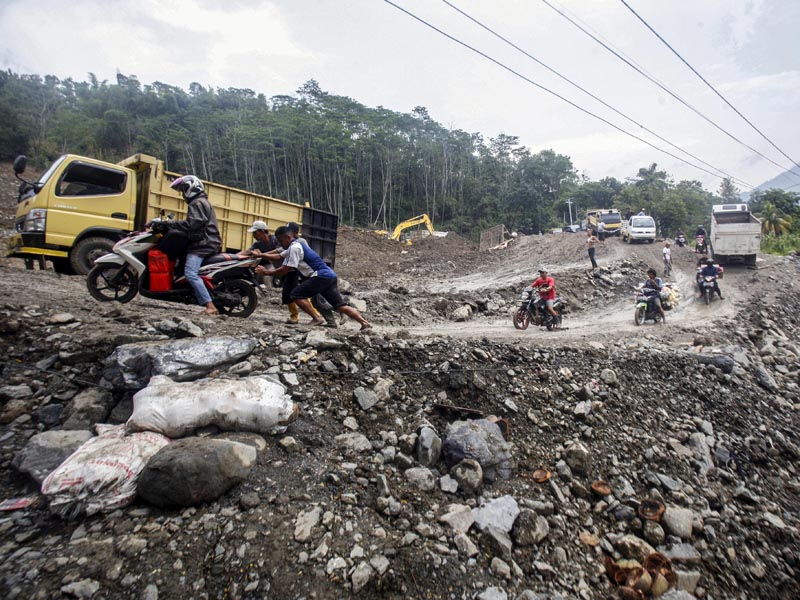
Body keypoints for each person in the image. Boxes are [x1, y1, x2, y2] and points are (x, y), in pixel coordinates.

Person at [258, 226, 372, 330]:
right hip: (329, 275)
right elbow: (279, 256)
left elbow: (285, 270)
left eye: (281, 241)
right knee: (339, 305)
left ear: (288, 237)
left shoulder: (294, 248)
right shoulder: (296, 245)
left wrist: (266, 272)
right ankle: (364, 323)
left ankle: (317, 318)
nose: (280, 244)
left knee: (295, 295)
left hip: (320, 275)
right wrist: (261, 255)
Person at [162, 175, 221, 315]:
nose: (183, 194)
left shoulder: (197, 203)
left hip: (204, 243)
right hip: (205, 241)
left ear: (192, 188)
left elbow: (193, 224)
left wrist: (171, 224)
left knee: (190, 273)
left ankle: (210, 306)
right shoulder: (200, 201)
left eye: (184, 190)